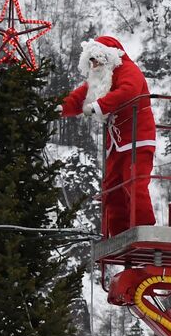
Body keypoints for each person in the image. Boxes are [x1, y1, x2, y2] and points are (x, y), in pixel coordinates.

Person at [62, 36, 157, 236]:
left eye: (96, 59)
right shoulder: (102, 79)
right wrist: (59, 108)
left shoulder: (128, 70)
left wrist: (99, 106)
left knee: (135, 184)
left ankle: (145, 231)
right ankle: (118, 234)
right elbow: (80, 97)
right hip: (116, 144)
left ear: (108, 56)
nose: (93, 65)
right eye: (91, 61)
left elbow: (128, 91)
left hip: (137, 139)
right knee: (112, 190)